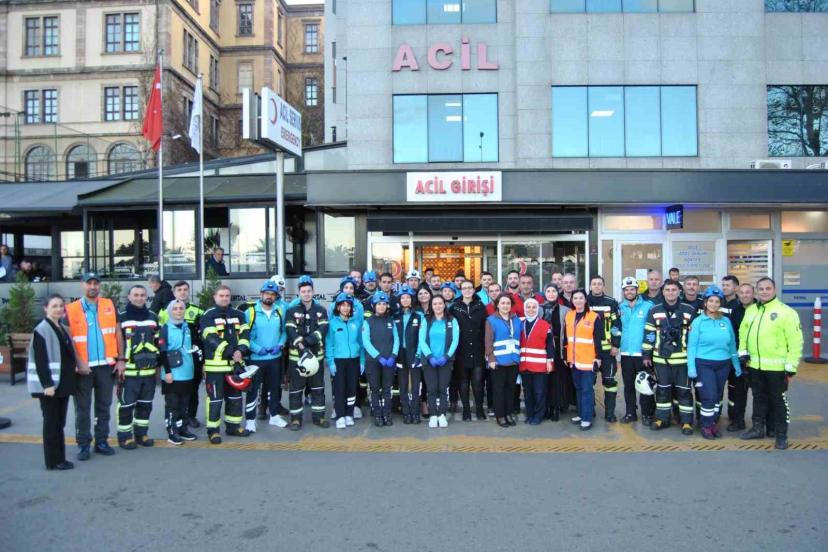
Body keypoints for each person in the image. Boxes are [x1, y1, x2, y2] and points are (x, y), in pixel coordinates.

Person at [739, 277, 803, 450]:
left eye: (768, 288)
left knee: (778, 402)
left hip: (777, 368)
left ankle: (781, 435)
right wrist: (742, 352)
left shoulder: (786, 312)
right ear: (757, 291)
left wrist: (791, 367)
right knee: (758, 399)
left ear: (774, 290)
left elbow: (796, 341)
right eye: (761, 289)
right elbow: (743, 332)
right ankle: (758, 429)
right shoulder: (752, 310)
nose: (764, 291)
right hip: (755, 366)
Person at [66, 272, 123, 460]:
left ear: (100, 286)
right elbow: (69, 340)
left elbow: (117, 333)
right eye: (89, 283)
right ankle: (83, 443)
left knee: (104, 406)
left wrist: (121, 359)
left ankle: (101, 441)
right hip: (83, 368)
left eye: (96, 283)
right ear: (82, 285)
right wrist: (78, 362)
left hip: (106, 366)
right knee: (82, 408)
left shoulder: (108, 305)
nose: (93, 286)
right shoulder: (71, 309)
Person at [28, 294, 77, 470]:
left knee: (59, 423)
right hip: (51, 386)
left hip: (62, 384)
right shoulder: (42, 330)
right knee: (51, 423)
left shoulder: (61, 328)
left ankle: (59, 458)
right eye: (54, 306)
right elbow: (40, 360)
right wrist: (47, 384)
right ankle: (53, 461)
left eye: (61, 306)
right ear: (46, 308)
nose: (58, 309)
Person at [687, 286, 741, 440]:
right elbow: (692, 346)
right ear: (705, 303)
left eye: (717, 301)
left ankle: (713, 424)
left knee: (717, 397)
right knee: (709, 396)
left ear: (720, 303)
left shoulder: (726, 321)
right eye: (711, 301)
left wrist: (735, 364)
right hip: (704, 364)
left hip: (723, 364)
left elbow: (731, 345)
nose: (714, 304)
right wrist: (691, 367)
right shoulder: (698, 322)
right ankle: (706, 425)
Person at [643, 280, 696, 434]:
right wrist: (646, 354)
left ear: (679, 291)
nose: (671, 292)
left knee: (684, 391)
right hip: (661, 360)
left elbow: (694, 337)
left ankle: (686, 422)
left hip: (683, 361)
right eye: (668, 290)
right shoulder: (654, 310)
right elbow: (649, 334)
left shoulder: (689, 310)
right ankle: (662, 419)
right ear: (663, 291)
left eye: (674, 290)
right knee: (662, 390)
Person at [200, 285, 251, 444]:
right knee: (215, 400)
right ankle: (213, 431)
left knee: (235, 398)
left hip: (235, 366)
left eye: (227, 295)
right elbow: (211, 338)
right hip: (216, 368)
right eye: (221, 295)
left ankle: (233, 427)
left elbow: (245, 334)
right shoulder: (208, 315)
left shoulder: (240, 315)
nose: (224, 298)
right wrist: (231, 352)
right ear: (215, 297)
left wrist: (241, 350)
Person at [115, 285, 160, 449]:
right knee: (126, 405)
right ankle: (124, 437)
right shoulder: (121, 317)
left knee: (145, 405)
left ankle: (141, 434)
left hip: (149, 371)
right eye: (136, 295)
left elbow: (158, 341)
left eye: (142, 295)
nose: (139, 298)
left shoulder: (153, 316)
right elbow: (116, 342)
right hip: (129, 371)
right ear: (129, 297)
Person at [285, 275, 330, 430]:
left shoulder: (321, 310)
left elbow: (323, 329)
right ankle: (296, 419)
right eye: (303, 291)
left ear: (313, 292)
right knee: (296, 389)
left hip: (316, 357)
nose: (306, 294)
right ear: (299, 293)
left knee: (318, 389)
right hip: (297, 359)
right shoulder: (291, 311)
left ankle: (319, 417)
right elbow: (290, 330)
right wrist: (300, 344)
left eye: (309, 291)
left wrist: (308, 341)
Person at [158, 281, 205, 428]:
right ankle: (175, 420)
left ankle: (190, 416)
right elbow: (161, 338)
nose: (183, 292)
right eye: (179, 290)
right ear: (174, 292)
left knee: (193, 389)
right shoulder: (165, 312)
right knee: (174, 394)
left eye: (185, 289)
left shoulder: (198, 311)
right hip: (173, 360)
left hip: (193, 357)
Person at [245, 280, 286, 432]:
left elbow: (283, 332)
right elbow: (244, 335)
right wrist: (256, 348)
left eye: (273, 294)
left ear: (276, 296)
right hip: (256, 359)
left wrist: (280, 344)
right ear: (261, 294)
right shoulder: (250, 312)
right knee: (253, 390)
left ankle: (274, 416)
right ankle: (250, 419)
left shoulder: (279, 311)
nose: (269, 296)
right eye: (267, 293)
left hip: (275, 358)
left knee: (275, 388)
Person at [159, 300, 199, 445]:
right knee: (172, 405)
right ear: (170, 311)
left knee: (184, 405)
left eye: (181, 308)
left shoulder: (188, 327)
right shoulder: (165, 328)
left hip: (188, 373)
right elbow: (162, 353)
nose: (178, 311)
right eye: (175, 308)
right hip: (172, 374)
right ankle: (172, 431)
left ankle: (183, 429)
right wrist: (167, 372)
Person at [617, 277, 655, 425]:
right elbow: (616, 327)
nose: (629, 292)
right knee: (628, 386)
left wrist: (649, 351)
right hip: (626, 354)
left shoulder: (648, 306)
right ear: (623, 291)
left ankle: (647, 414)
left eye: (632, 289)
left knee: (645, 386)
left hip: (643, 354)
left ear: (637, 290)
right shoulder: (620, 308)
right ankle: (630, 412)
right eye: (626, 289)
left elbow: (652, 330)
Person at [419, 295, 459, 428]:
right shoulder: (426, 320)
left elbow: (455, 340)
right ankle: (433, 415)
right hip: (429, 361)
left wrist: (446, 357)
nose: (437, 306)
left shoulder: (452, 320)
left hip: (445, 361)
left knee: (443, 388)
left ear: (444, 305)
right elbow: (422, 341)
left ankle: (442, 414)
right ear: (431, 306)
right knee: (431, 389)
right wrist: (430, 356)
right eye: (434, 304)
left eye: (440, 303)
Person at [565, 290, 603, 431]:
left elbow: (598, 340)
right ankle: (581, 414)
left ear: (585, 300)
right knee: (579, 389)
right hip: (574, 360)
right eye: (575, 298)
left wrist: (598, 358)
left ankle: (587, 418)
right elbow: (567, 339)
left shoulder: (594, 317)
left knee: (587, 390)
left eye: (581, 298)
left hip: (588, 360)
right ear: (572, 300)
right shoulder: (569, 315)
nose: (578, 300)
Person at [450, 280, 488, 421]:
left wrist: (486, 349)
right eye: (464, 288)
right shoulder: (454, 308)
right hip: (461, 350)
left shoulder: (480, 306)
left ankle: (479, 409)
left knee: (478, 383)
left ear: (473, 290)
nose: (467, 290)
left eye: (469, 288)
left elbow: (485, 329)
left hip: (478, 350)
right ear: (460, 290)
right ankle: (466, 410)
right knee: (463, 382)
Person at [325, 293, 364, 429]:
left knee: (352, 389)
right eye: (343, 305)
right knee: (339, 389)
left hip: (354, 360)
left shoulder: (356, 323)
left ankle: (349, 414)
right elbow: (329, 344)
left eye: (348, 305)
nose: (346, 308)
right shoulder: (332, 324)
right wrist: (330, 362)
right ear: (338, 307)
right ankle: (340, 415)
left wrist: (362, 361)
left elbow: (361, 342)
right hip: (339, 361)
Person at [587, 275, 622, 422]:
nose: (596, 286)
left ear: (603, 286)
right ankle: (590, 411)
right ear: (590, 286)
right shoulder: (583, 301)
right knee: (590, 383)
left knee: (610, 382)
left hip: (608, 351)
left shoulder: (611, 302)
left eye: (599, 284)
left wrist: (616, 344)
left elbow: (616, 325)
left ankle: (610, 413)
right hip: (589, 351)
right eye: (594, 284)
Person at [362, 292, 400, 427]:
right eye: (379, 304)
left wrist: (393, 355)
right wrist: (378, 357)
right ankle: (377, 415)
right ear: (374, 305)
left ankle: (387, 414)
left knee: (387, 389)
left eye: (384, 304)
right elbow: (366, 341)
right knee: (375, 389)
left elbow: (396, 339)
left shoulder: (391, 321)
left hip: (389, 361)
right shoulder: (367, 322)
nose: (382, 307)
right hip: (373, 362)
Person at [485, 295, 521, 428]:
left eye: (508, 303)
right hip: (498, 361)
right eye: (503, 303)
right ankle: (500, 415)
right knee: (499, 389)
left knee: (511, 389)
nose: (505, 306)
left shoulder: (516, 320)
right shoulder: (491, 320)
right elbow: (488, 341)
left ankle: (508, 413)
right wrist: (491, 358)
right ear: (497, 305)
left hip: (513, 360)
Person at [519, 298, 555, 425]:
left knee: (539, 392)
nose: (531, 309)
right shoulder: (519, 323)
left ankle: (539, 415)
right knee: (527, 393)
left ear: (537, 309)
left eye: (534, 307)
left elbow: (550, 345)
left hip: (540, 365)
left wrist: (550, 361)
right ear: (525, 309)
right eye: (528, 307)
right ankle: (530, 415)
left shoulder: (545, 325)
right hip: (524, 365)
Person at [720, 275, 748, 431]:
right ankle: (716, 415)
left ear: (736, 287)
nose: (725, 287)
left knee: (736, 388)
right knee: (717, 387)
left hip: (736, 354)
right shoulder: (718, 302)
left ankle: (736, 418)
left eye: (728, 285)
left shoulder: (740, 306)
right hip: (720, 353)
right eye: (723, 285)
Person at [541, 284, 572, 421]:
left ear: (557, 293)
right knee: (544, 380)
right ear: (544, 293)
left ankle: (556, 407)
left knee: (557, 380)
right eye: (548, 291)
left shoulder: (565, 310)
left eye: (554, 291)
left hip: (558, 350)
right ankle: (545, 407)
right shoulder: (538, 309)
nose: (551, 293)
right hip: (542, 349)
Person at [394, 285, 424, 424]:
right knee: (403, 384)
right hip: (400, 354)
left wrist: (418, 354)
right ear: (399, 300)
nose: (405, 300)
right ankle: (406, 412)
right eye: (403, 298)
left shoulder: (419, 316)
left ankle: (415, 412)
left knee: (416, 385)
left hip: (415, 353)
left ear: (412, 299)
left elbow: (422, 337)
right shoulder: (395, 316)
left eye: (408, 297)